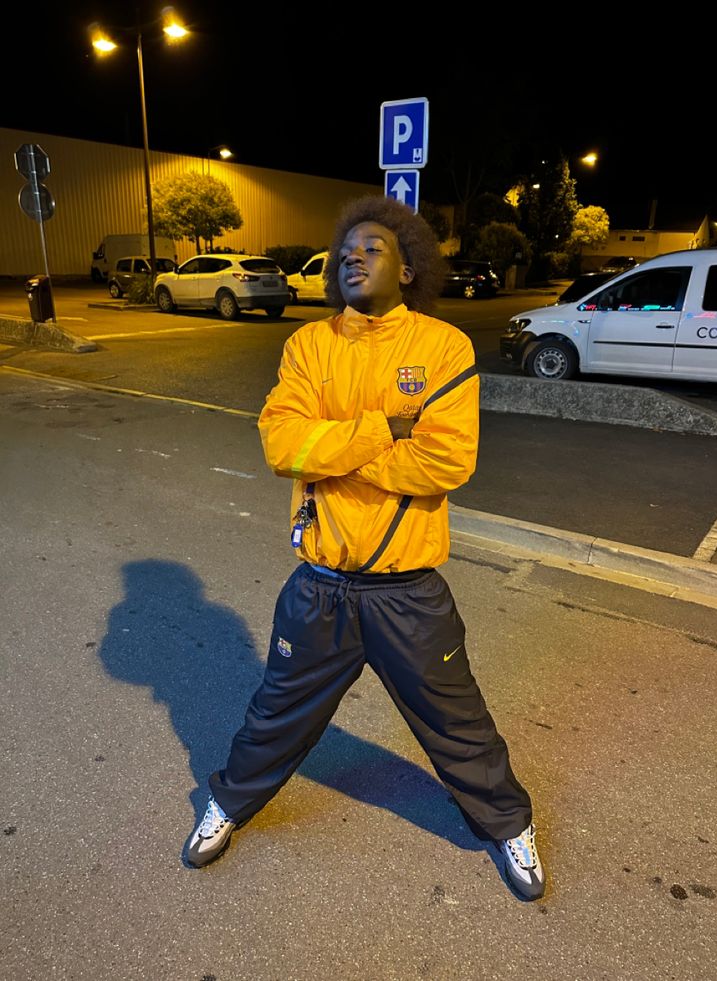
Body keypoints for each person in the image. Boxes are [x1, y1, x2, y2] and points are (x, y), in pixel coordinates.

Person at [186, 196, 545, 900]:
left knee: (458, 721)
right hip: (319, 583)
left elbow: (446, 462)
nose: (352, 255)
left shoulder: (443, 347)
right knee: (275, 712)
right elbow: (279, 444)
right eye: (346, 248)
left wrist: (330, 453)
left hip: (408, 590)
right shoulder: (308, 346)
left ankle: (507, 823)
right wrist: (384, 428)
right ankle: (228, 802)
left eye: (371, 247)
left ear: (408, 267)